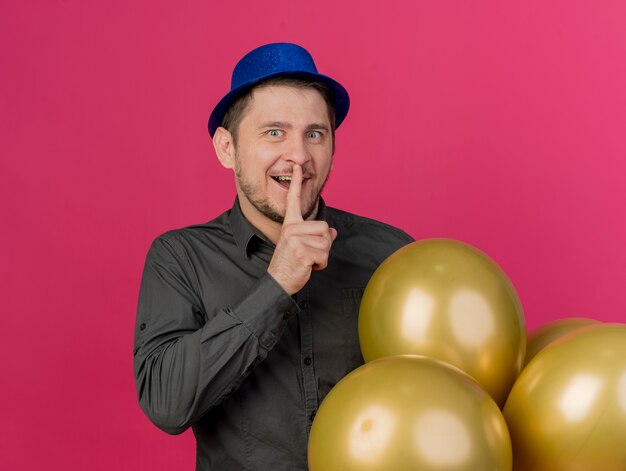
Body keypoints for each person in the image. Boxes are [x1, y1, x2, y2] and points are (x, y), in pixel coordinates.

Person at [134, 42, 414, 470]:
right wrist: (277, 284)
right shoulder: (180, 258)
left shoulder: (389, 252)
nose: (298, 156)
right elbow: (167, 404)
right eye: (274, 132)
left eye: (314, 134)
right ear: (227, 149)